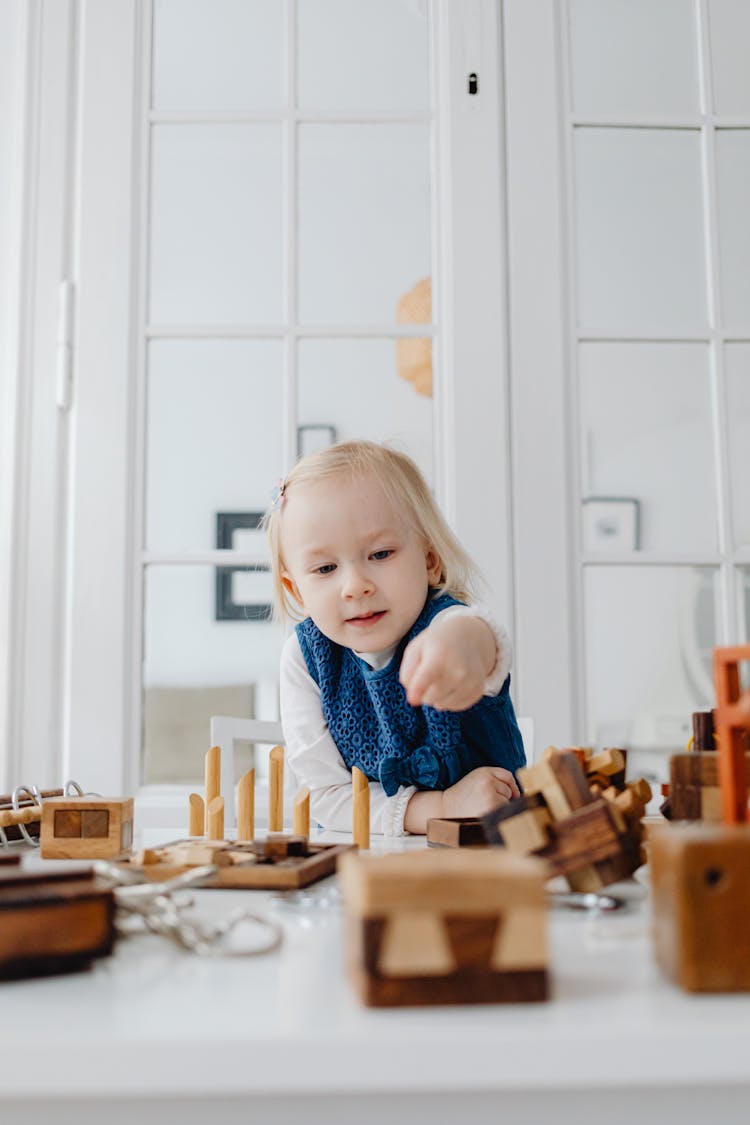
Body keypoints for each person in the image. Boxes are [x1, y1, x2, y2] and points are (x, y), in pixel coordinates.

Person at [265, 440, 525, 836]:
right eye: (325, 568)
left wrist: (462, 647)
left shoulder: (449, 624)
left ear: (429, 560)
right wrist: (440, 807)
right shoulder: (304, 659)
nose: (355, 586)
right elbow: (325, 796)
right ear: (296, 591)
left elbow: (482, 638)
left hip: (490, 850)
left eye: (381, 554)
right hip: (368, 860)